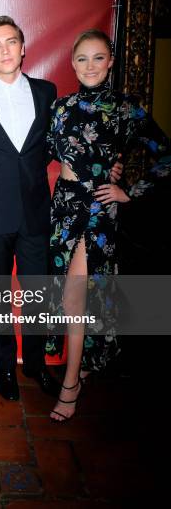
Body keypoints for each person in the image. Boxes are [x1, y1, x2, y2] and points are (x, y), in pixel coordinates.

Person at [46, 28, 171, 421]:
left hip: (99, 212)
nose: (90, 66)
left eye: (98, 58)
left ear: (111, 61)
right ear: (72, 63)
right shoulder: (60, 107)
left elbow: (165, 155)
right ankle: (82, 364)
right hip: (64, 208)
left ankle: (70, 384)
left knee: (75, 297)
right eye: (82, 59)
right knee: (70, 295)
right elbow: (53, 151)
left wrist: (129, 190)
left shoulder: (126, 109)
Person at [0, 15, 60, 401]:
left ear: (23, 47)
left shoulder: (46, 91)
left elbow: (59, 144)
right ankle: (4, 368)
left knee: (38, 293)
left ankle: (35, 363)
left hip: (37, 208)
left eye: (11, 42)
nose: (4, 50)